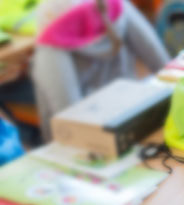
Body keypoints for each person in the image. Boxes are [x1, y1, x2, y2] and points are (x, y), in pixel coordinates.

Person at [31, 0, 170, 140]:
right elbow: (162, 62)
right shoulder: (117, 6)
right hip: (134, 117)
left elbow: (68, 114)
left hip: (90, 138)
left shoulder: (50, 25)